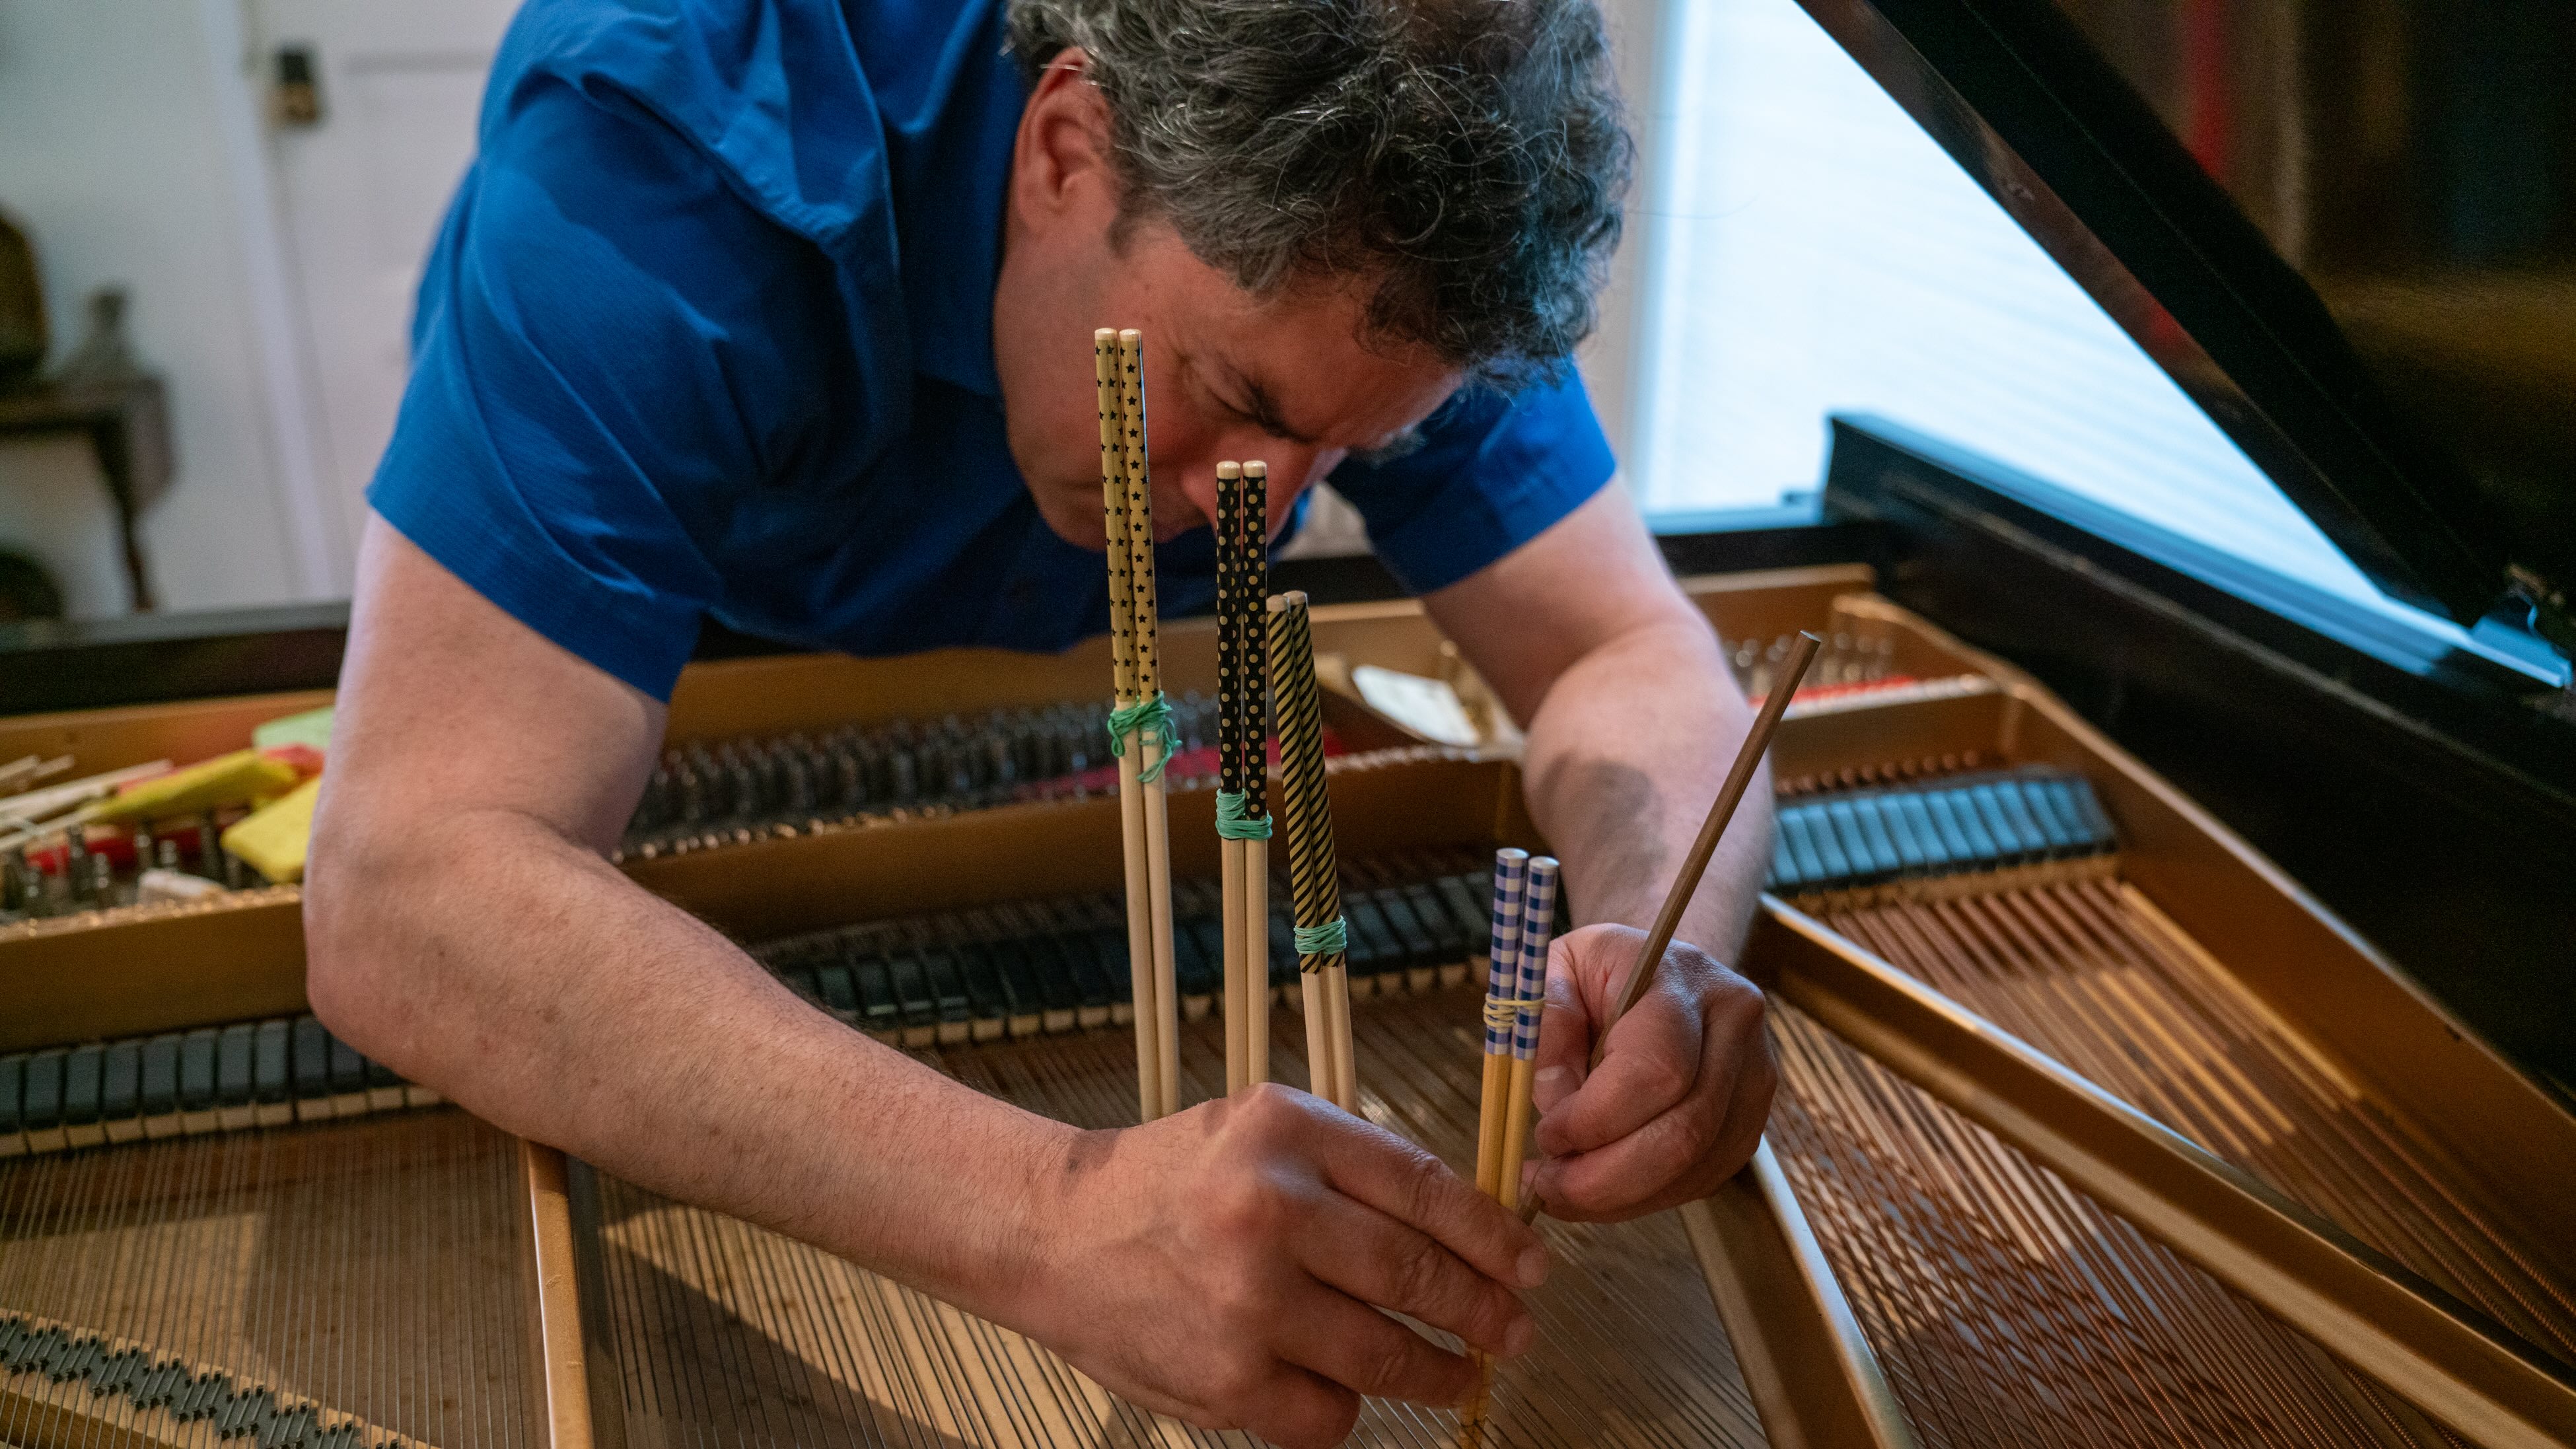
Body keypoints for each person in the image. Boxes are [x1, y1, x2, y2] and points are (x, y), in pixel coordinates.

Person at [304, 0, 1779, 1442]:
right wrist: (1051, 1215)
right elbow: (406, 881)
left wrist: (1667, 934)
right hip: (668, 649)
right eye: (1229, 392)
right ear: (1065, 148)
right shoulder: (666, 157)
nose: (1263, 506)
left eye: (1344, 447)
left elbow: (1626, 645)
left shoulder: (1378, 239)